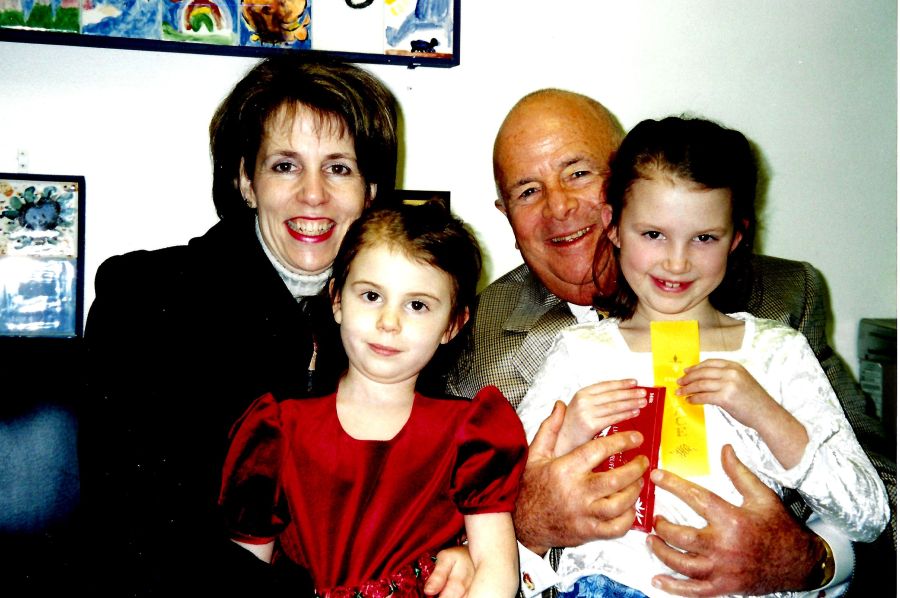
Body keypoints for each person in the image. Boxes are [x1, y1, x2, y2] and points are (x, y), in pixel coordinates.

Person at [446, 88, 896, 597]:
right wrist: (534, 511)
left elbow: (881, 502)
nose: (560, 208)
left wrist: (808, 561)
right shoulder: (477, 330)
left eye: (577, 173)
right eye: (528, 190)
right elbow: (458, 511)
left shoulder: (783, 323)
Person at [79, 56, 470, 597]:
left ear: (371, 191)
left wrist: (455, 552)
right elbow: (142, 528)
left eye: (339, 167)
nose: (314, 194)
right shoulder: (147, 297)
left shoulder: (401, 318)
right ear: (245, 179)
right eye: (285, 165)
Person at [219, 203, 527, 597]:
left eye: (417, 305)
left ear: (453, 324)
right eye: (371, 296)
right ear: (336, 300)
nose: (389, 322)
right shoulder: (277, 429)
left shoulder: (473, 432)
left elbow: (495, 572)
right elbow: (242, 576)